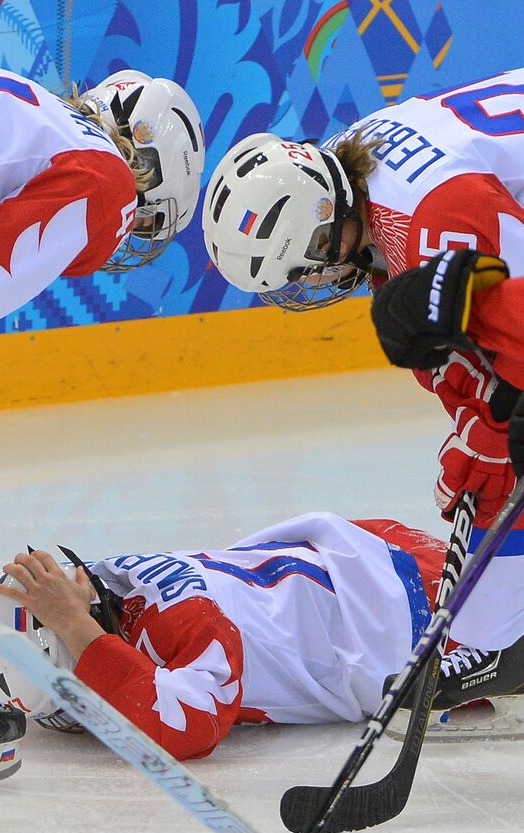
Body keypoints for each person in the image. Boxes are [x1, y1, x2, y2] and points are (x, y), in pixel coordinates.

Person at [0, 51, 204, 789]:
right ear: (144, 163)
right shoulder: (105, 179)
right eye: (145, 214)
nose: (130, 226)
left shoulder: (24, 106)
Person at [201, 67, 524, 656]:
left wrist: (497, 425)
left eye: (313, 264)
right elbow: (447, 323)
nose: (321, 280)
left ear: (326, 222)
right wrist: (479, 404)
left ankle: (502, 638)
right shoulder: (362, 171)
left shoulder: (434, 219)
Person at [0, 512, 524, 765]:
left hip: (418, 621)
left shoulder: (187, 622)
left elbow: (192, 726)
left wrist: (75, 633)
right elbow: (8, 643)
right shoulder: (104, 585)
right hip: (370, 557)